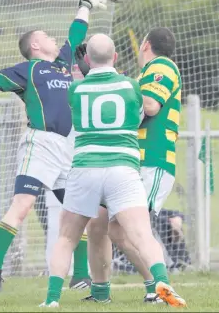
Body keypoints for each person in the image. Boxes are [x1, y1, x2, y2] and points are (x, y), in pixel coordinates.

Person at [0, 0, 107, 292]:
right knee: (22, 205)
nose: (52, 38)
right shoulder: (30, 69)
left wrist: (85, 4)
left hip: (67, 148)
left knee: (78, 210)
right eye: (45, 36)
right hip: (41, 145)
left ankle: (80, 276)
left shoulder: (63, 64)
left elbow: (75, 34)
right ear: (35, 46)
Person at [40, 33, 186, 308]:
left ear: (145, 45)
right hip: (127, 164)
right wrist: (112, 83)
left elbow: (151, 106)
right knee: (99, 225)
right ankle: (101, 291)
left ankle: (156, 287)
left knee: (127, 230)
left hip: (150, 160)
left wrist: (107, 83)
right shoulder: (137, 77)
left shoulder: (161, 66)